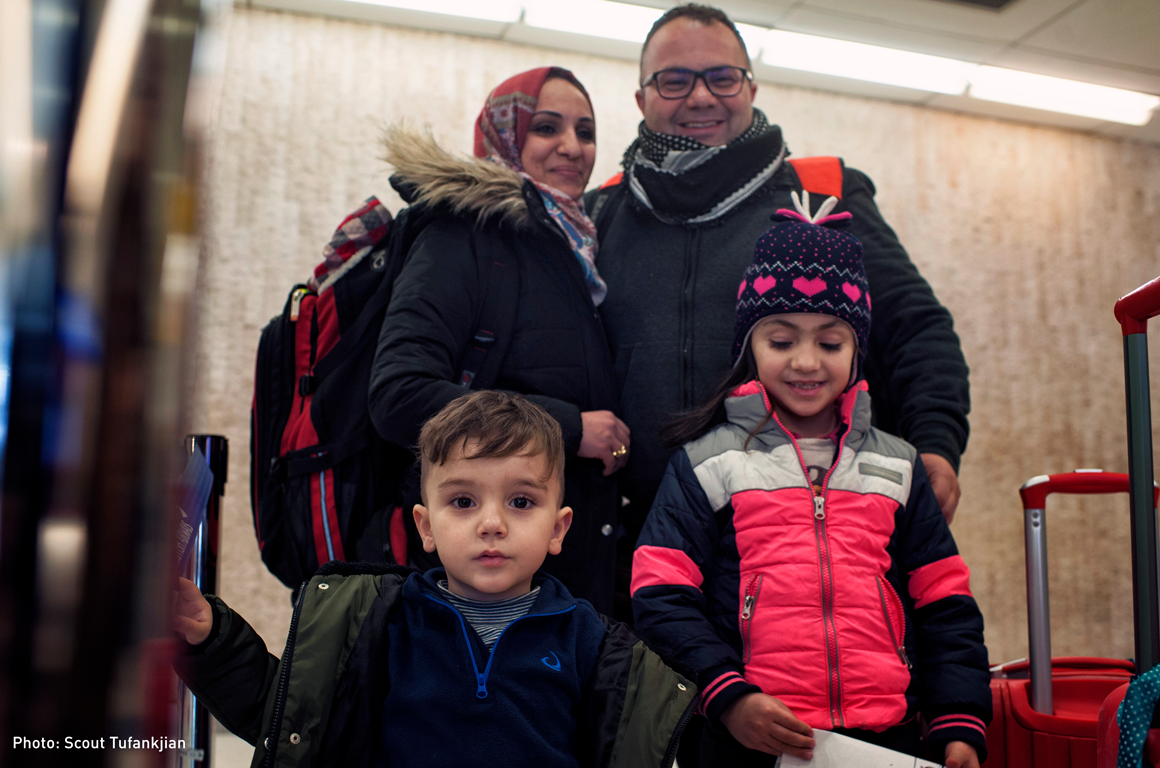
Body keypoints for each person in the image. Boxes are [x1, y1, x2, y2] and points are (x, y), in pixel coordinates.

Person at [587, 4, 969, 539]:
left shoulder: (825, 194)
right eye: (673, 80)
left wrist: (936, 442)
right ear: (641, 98)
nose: (701, 96)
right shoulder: (599, 214)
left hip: (809, 535)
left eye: (722, 77)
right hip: (632, 535)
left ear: (750, 88)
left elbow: (914, 327)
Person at [629, 206, 990, 767]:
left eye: (830, 343)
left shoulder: (899, 468)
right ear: (750, 346)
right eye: (781, 340)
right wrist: (726, 696)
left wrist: (957, 721)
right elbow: (660, 597)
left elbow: (945, 605)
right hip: (747, 741)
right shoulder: (707, 464)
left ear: (856, 350)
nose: (806, 361)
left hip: (885, 743)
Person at [173, 391, 697, 768]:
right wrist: (211, 640)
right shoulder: (379, 623)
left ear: (558, 529)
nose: (492, 523)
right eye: (463, 501)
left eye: (521, 502)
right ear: (426, 525)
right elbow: (286, 724)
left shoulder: (595, 647)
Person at [369, 67, 629, 613]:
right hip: (475, 586)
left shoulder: (570, 247)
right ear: (504, 137)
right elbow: (400, 394)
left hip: (554, 582)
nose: (572, 147)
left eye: (586, 132)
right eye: (547, 128)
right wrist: (570, 427)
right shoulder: (463, 234)